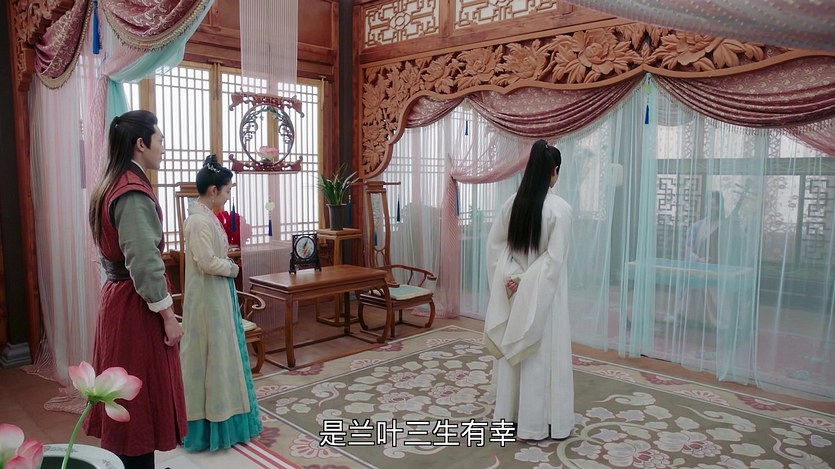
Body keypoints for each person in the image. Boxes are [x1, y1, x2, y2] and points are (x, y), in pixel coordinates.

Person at [86, 110, 186, 469]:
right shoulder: (131, 192)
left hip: (121, 300)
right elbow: (144, 262)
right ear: (141, 144)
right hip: (135, 308)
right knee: (135, 400)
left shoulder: (113, 182)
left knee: (127, 396)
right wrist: (168, 316)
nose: (163, 147)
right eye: (160, 140)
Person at [484, 139, 574, 440]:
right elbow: (554, 261)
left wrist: (511, 277)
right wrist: (526, 280)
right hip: (543, 295)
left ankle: (510, 415)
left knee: (516, 349)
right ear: (554, 171)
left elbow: (496, 247)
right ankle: (541, 421)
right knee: (540, 353)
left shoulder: (512, 203)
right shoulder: (560, 210)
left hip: (512, 290)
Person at [179, 155, 263, 451]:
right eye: (227, 190)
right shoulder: (197, 221)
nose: (228, 196)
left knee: (221, 355)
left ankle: (228, 417)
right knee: (208, 357)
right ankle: (206, 427)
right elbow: (206, 261)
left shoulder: (206, 217)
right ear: (213, 190)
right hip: (206, 299)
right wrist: (232, 268)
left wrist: (227, 267)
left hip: (216, 295)